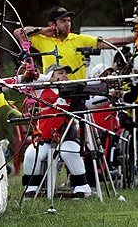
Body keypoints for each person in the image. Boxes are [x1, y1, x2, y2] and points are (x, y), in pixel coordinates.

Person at [22, 63, 106, 200]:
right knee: (31, 154)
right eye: (60, 73)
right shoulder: (42, 90)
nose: (65, 76)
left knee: (71, 152)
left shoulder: (72, 91)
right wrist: (51, 81)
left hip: (65, 137)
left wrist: (108, 95)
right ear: (50, 75)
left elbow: (92, 102)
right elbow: (33, 79)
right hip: (44, 138)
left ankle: (81, 188)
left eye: (66, 73)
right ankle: (32, 188)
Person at [13, 6, 138, 80]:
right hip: (53, 89)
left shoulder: (78, 39)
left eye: (69, 20)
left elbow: (106, 42)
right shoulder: (43, 40)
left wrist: (132, 38)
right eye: (63, 21)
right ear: (52, 24)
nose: (68, 24)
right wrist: (44, 30)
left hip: (77, 91)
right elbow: (18, 32)